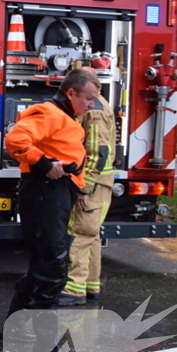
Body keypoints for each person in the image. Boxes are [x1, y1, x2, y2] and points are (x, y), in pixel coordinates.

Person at [4, 67, 100, 352]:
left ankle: (15, 328)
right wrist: (44, 163)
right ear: (71, 93)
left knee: (44, 266)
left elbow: (66, 154)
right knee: (52, 270)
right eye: (88, 99)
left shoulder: (66, 117)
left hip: (55, 193)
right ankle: (45, 348)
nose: (91, 105)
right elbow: (15, 139)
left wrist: (78, 187)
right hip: (45, 192)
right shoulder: (50, 113)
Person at [58, 87, 116, 306]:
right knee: (91, 235)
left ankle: (72, 290)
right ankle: (90, 285)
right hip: (100, 184)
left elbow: (96, 152)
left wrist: (84, 187)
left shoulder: (94, 110)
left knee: (79, 233)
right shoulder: (99, 105)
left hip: (93, 185)